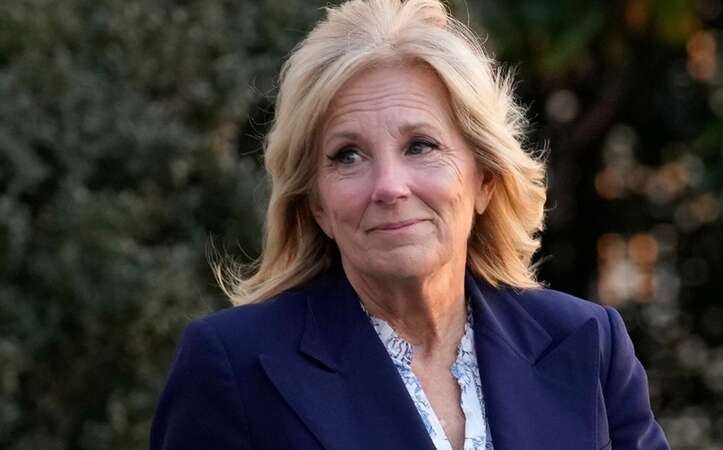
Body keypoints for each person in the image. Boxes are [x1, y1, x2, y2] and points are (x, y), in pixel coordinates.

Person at [150, 0, 670, 449]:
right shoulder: (233, 367)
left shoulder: (586, 344)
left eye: (420, 146)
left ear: (486, 178)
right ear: (316, 205)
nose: (389, 187)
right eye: (347, 156)